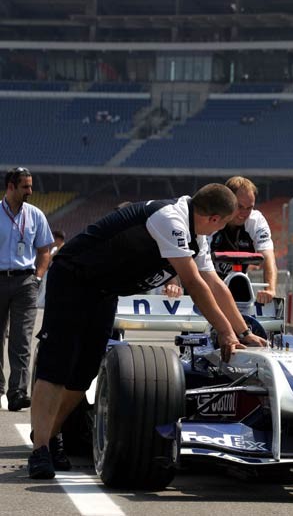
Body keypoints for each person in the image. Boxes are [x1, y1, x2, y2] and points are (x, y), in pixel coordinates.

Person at [28, 184, 267, 480]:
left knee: (84, 371)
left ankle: (49, 434)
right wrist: (224, 332)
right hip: (74, 278)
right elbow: (194, 284)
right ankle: (40, 449)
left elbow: (215, 284)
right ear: (215, 219)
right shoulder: (170, 218)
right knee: (57, 365)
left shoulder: (197, 234)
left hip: (104, 290)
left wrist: (242, 332)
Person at [0, 167, 53, 412]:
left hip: (25, 283)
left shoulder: (36, 215)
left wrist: (37, 278)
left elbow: (44, 250)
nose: (30, 191)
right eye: (25, 187)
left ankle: (17, 393)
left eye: (31, 186)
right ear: (10, 186)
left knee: (21, 340)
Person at [209, 177, 277, 304]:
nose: (244, 213)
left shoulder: (256, 220)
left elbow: (268, 256)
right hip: (205, 283)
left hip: (236, 286)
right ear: (227, 201)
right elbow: (195, 260)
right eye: (239, 207)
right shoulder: (211, 218)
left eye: (249, 208)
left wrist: (270, 290)